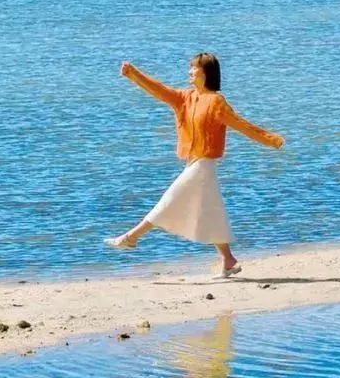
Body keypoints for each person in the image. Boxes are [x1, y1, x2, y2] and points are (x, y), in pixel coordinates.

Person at [105, 54, 284, 277]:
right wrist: (133, 74)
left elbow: (241, 125)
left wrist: (270, 139)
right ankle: (228, 260)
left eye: (194, 69)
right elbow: (159, 89)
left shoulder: (216, 102)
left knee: (170, 200)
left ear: (206, 73)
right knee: (211, 212)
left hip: (204, 165)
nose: (190, 72)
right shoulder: (184, 98)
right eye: (190, 68)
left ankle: (130, 238)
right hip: (194, 163)